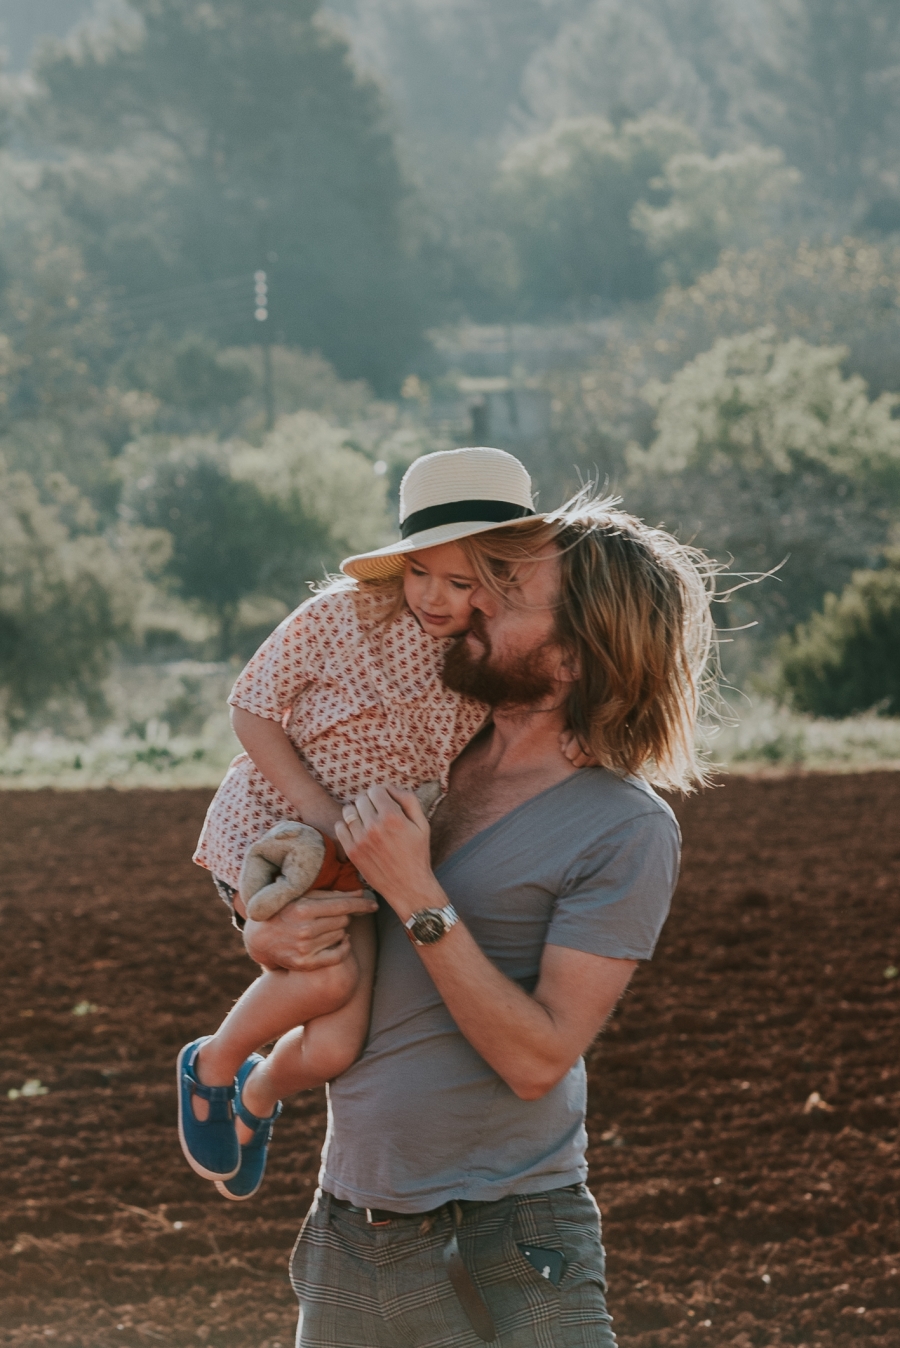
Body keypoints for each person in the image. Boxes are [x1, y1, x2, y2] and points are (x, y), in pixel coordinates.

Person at [236, 490, 715, 1346]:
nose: (470, 602)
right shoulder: (420, 758)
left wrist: (418, 895)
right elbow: (330, 921)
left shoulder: (624, 826)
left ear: (569, 660)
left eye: (505, 592)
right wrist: (267, 934)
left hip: (513, 1241)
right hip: (355, 1227)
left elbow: (537, 1058)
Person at [179, 447, 589, 1202]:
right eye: (418, 570)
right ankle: (209, 1065)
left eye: (460, 582)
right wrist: (321, 814)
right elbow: (251, 708)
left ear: (499, 582)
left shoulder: (487, 662)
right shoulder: (340, 614)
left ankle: (257, 1096)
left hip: (364, 854)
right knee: (327, 975)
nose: (433, 596)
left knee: (335, 1044)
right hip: (280, 831)